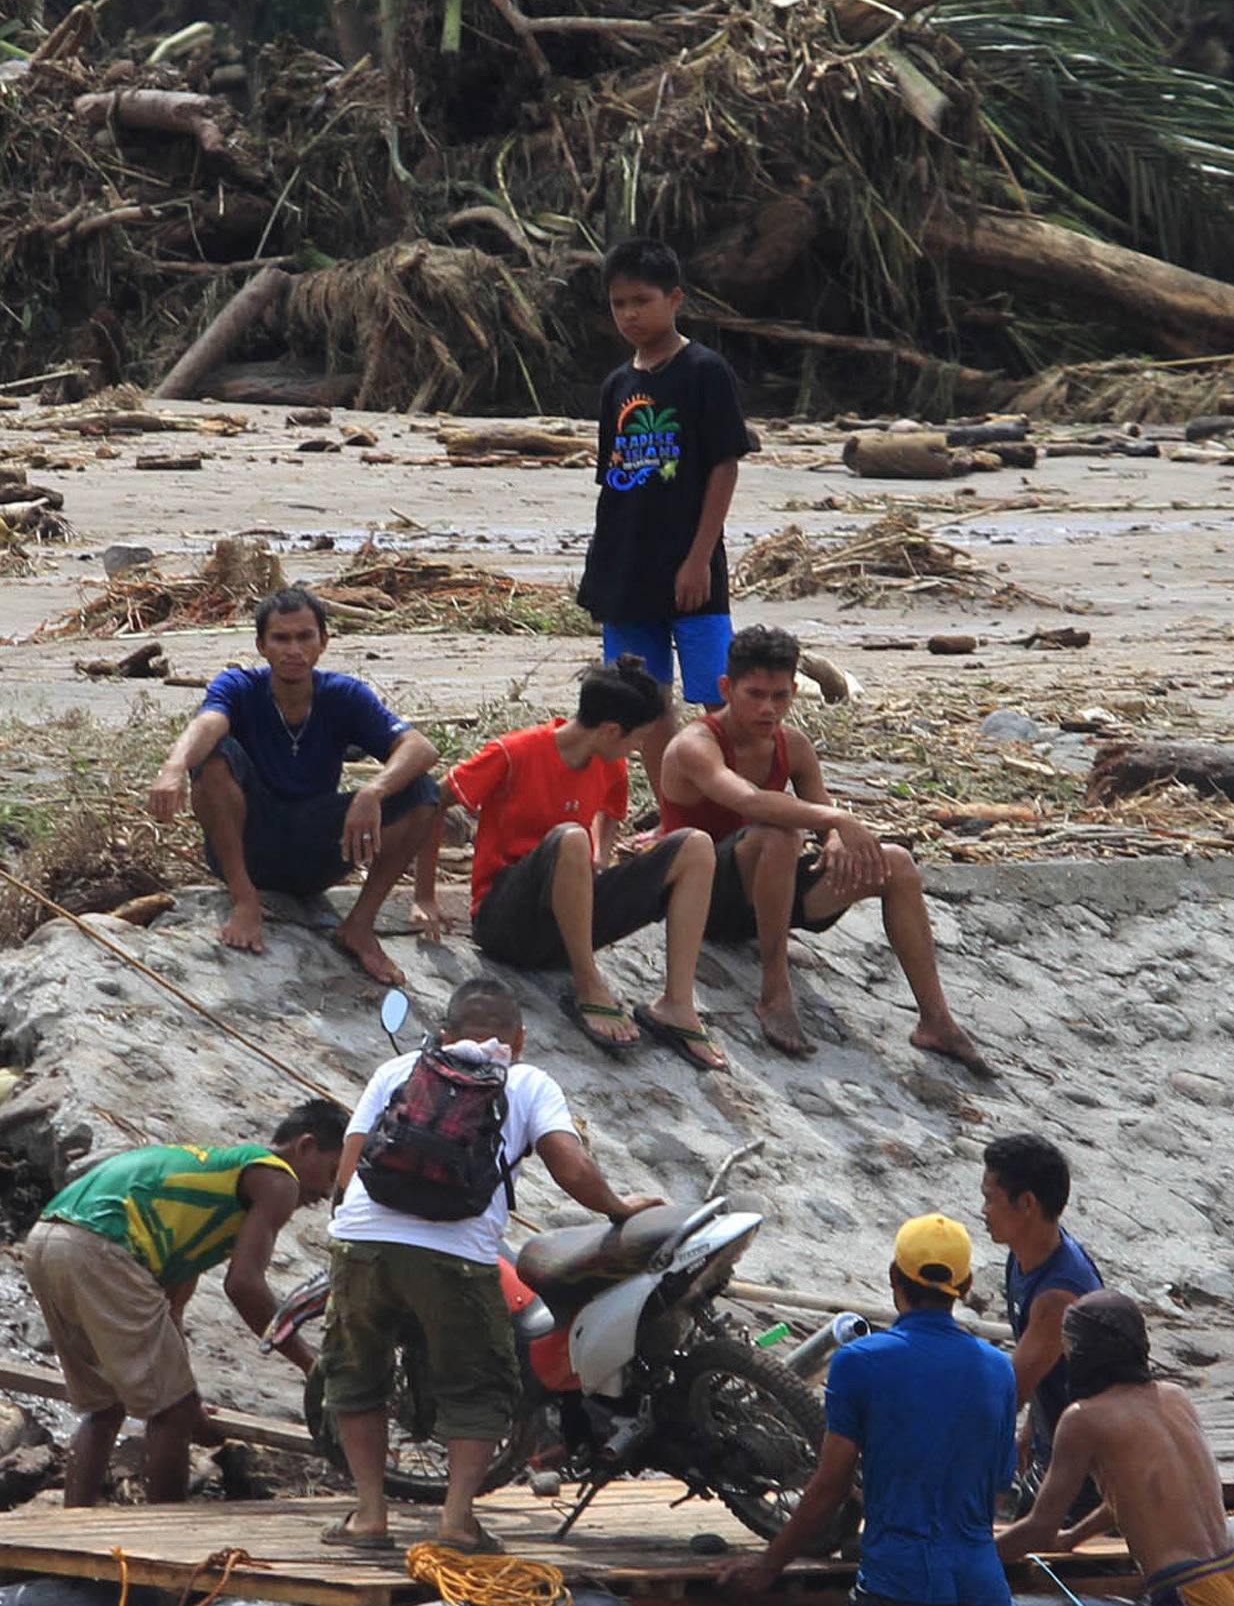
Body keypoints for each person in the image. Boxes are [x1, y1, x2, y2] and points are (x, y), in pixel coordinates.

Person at [322, 976, 653, 1553]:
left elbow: (348, 1174)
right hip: (457, 1257)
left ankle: (370, 1517)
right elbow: (571, 1168)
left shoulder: (396, 1073)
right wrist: (619, 1209)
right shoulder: (527, 1082)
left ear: (444, 1034)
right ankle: (455, 1523)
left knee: (355, 1374)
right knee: (478, 1385)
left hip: (362, 1245)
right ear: (518, 1039)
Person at [657, 624, 990, 1073]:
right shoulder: (695, 745)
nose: (768, 708)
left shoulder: (792, 745)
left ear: (794, 691)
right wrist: (837, 821)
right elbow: (750, 801)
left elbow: (822, 815)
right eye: (755, 694)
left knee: (898, 864)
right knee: (779, 831)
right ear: (725, 688)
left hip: (769, 895)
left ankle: (936, 1020)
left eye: (779, 696)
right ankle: (775, 988)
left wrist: (834, 839)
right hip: (704, 901)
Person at [718, 1216, 1022, 1606]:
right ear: (966, 1285)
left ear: (893, 1278)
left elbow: (830, 1485)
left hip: (895, 1590)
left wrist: (768, 1566)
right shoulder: (999, 1369)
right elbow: (997, 1491)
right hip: (985, 1596)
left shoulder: (860, 1362)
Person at [21, 1101, 348, 1505]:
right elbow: (244, 1285)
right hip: (101, 1245)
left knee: (105, 1407)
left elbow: (169, 1312)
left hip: (46, 1240)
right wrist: (311, 1365)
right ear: (305, 1146)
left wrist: (187, 1397)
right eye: (332, 1172)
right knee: (170, 1415)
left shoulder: (206, 1195)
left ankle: (75, 1522)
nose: (325, 1192)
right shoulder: (278, 1179)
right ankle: (168, 1535)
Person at [414, 658, 725, 1069]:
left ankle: (676, 1004)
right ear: (612, 730)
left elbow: (610, 816)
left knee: (696, 846)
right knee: (571, 838)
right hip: (507, 923)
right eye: (640, 739)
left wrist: (601, 858)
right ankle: (588, 983)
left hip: (569, 919)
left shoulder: (610, 763)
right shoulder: (514, 751)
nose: (638, 750)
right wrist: (424, 894)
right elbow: (433, 802)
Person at [147, 584, 440, 985]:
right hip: (250, 842)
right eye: (281, 639)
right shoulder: (239, 687)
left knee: (422, 791)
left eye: (305, 637)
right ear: (262, 646)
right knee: (215, 756)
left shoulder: (343, 694)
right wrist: (173, 767)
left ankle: (359, 927)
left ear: (323, 642)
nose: (293, 650)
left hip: (316, 847)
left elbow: (419, 747)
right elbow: (209, 723)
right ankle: (245, 900)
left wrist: (373, 791)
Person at [998, 1291, 1234, 1606]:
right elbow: (1136, 1494)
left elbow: (1040, 1529)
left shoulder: (1082, 1419)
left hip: (1192, 1589)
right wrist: (1075, 1539)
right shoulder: (1175, 1397)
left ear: (1083, 1353)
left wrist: (979, 1556)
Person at [578, 237, 756, 806]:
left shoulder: (704, 372)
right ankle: (674, 813)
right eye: (619, 304)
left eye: (642, 301)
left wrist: (700, 557)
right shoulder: (616, 385)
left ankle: (733, 807)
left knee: (717, 701)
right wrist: (602, 573)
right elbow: (615, 480)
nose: (630, 314)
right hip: (626, 566)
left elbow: (724, 466)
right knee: (645, 704)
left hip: (691, 564)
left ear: (674, 298)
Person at [980, 1131, 1103, 1507]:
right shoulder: (1023, 1256)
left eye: (990, 1199)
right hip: (1049, 1451)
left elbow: (1006, 1395)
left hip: (1085, 1473)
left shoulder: (1058, 1297)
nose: (983, 1210)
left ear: (1027, 1203)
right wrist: (1029, 1434)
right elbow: (1047, 1368)